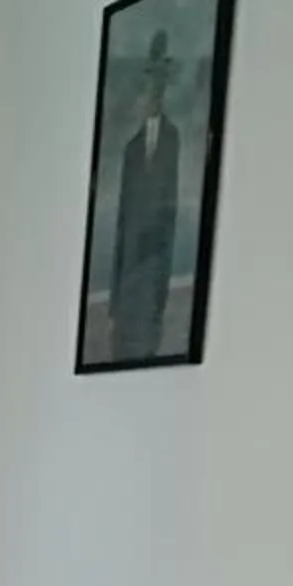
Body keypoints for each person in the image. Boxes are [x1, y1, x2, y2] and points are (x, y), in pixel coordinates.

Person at [109, 32, 181, 359]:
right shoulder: (132, 149)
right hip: (129, 274)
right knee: (122, 342)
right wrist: (114, 297)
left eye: (158, 81)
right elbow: (123, 223)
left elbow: (170, 209)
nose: (151, 93)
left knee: (146, 340)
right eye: (148, 81)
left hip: (152, 266)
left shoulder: (171, 139)